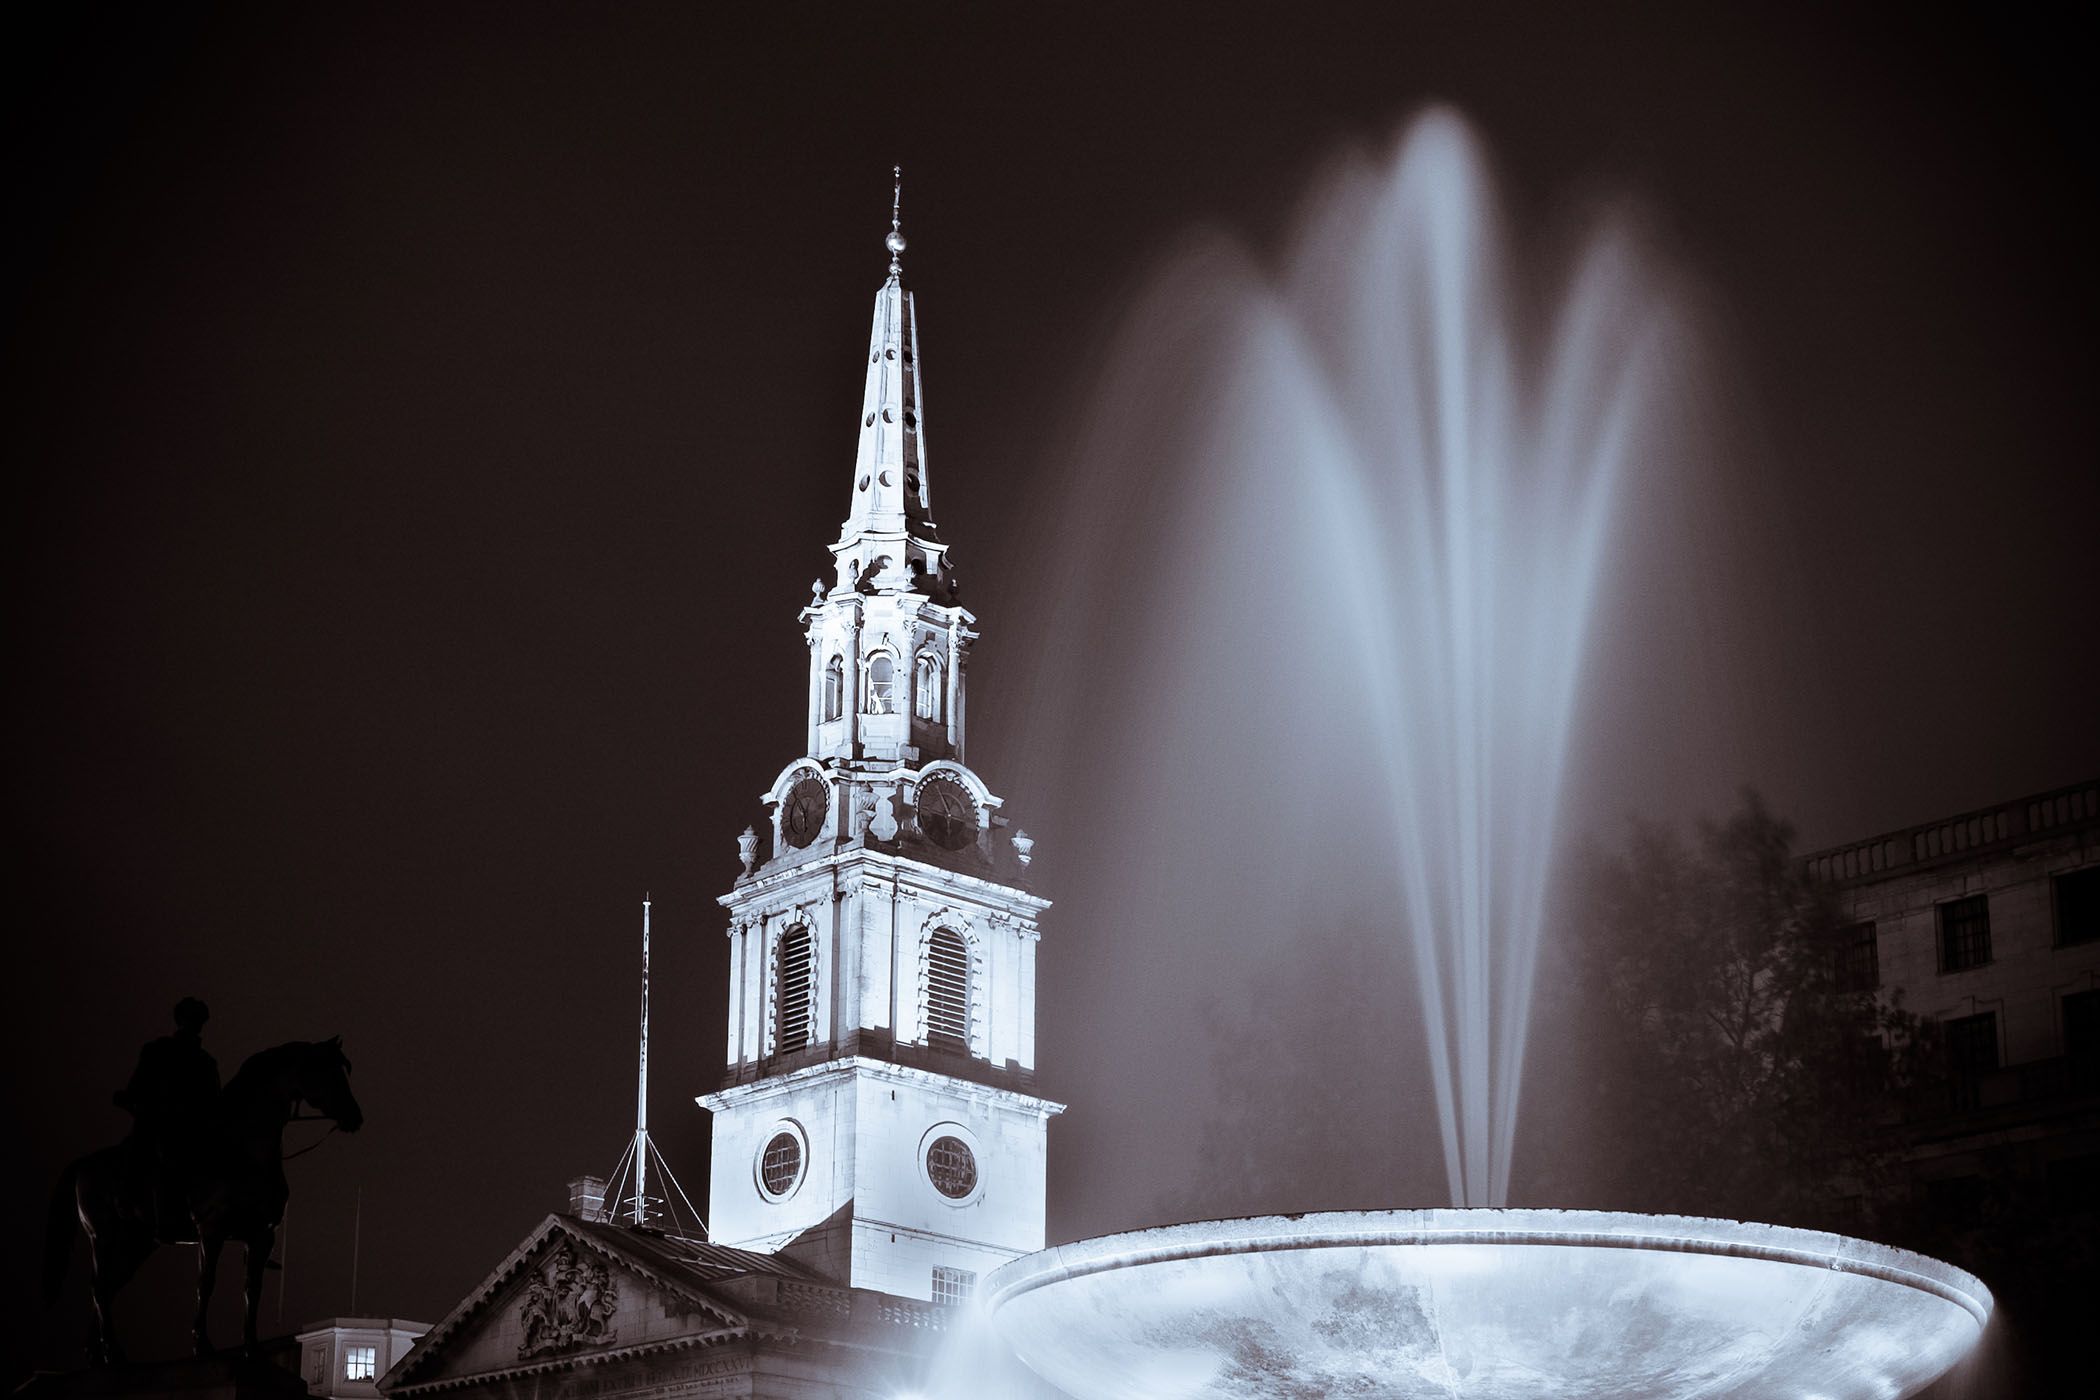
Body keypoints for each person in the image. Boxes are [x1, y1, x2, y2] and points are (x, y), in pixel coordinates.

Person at [114, 997, 221, 1230]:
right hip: (161, 1123)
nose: (195, 1024)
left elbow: (214, 1104)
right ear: (181, 1020)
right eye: (192, 1019)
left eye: (199, 1020)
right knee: (143, 1147)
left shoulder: (206, 1063)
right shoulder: (159, 1051)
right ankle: (127, 1199)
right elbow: (137, 1087)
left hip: (192, 1128)